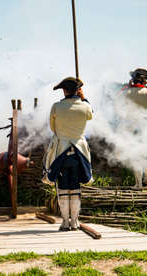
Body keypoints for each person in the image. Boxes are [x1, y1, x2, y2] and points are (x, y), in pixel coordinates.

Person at [42, 77, 93, 231]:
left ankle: (64, 222)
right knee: (76, 188)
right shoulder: (85, 107)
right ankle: (74, 222)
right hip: (79, 152)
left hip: (60, 152)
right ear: (78, 90)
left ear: (64, 90)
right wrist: (84, 97)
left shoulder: (56, 107)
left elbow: (53, 128)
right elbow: (90, 115)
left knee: (63, 189)